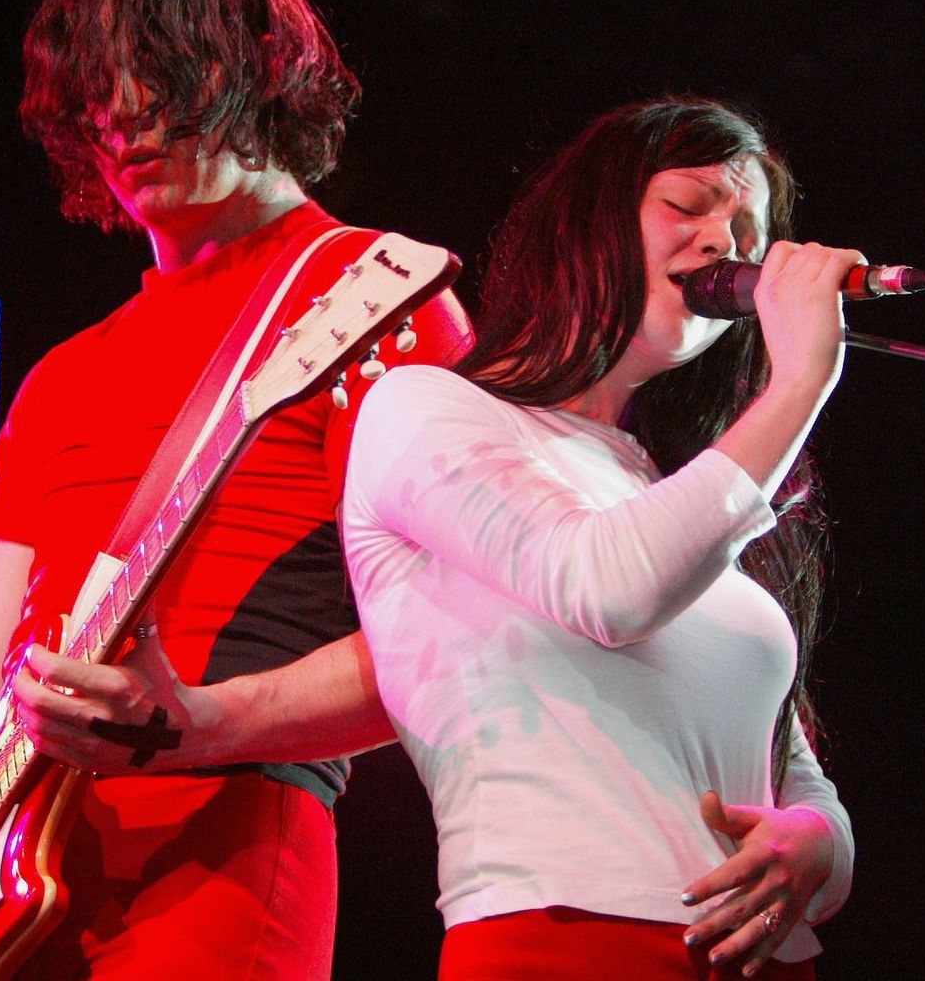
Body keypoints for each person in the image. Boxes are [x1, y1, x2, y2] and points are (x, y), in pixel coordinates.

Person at [0, 0, 468, 980]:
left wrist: (197, 723)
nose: (121, 115)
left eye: (157, 71)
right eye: (93, 89)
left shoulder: (369, 302)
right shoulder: (64, 375)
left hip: (219, 851)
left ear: (257, 67)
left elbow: (452, 649)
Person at [336, 98, 855, 979]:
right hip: (568, 940)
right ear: (591, 219)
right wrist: (801, 382)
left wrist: (815, 841)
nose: (723, 242)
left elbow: (786, 756)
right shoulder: (428, 411)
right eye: (688, 206)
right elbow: (606, 589)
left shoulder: (678, 491)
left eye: (744, 229)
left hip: (770, 960)